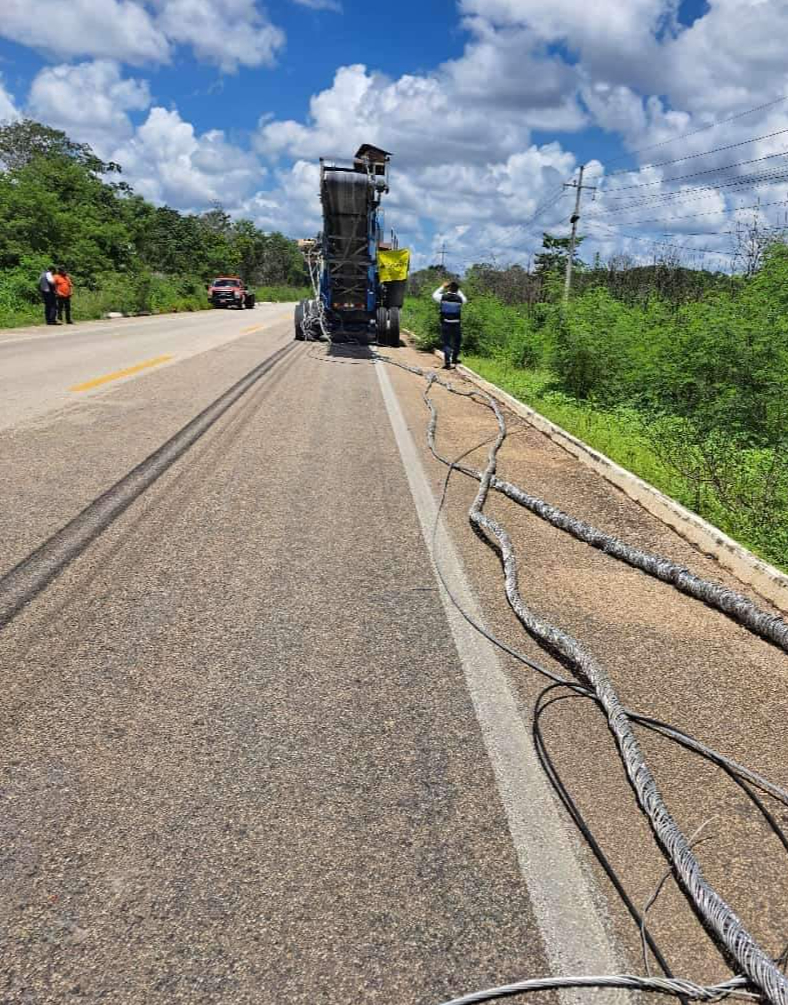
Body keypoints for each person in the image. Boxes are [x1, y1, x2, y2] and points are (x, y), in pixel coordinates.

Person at [432, 280, 467, 369]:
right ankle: (454, 359)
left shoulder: (442, 297)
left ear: (449, 288)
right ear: (457, 290)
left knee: (447, 343)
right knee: (457, 342)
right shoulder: (460, 299)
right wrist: (457, 289)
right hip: (456, 324)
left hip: (445, 323)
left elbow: (434, 295)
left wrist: (443, 286)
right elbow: (464, 298)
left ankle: (447, 362)